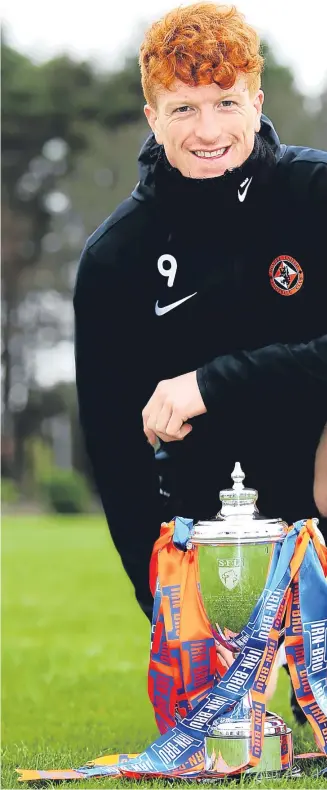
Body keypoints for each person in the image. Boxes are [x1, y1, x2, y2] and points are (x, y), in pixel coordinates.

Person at [74, 3, 327, 628]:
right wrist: (161, 610)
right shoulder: (115, 258)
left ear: (259, 101)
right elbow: (116, 456)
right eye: (184, 108)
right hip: (210, 508)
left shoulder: (315, 193)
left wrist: (211, 383)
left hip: (318, 466)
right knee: (223, 708)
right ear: (151, 117)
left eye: (227, 103)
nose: (208, 131)